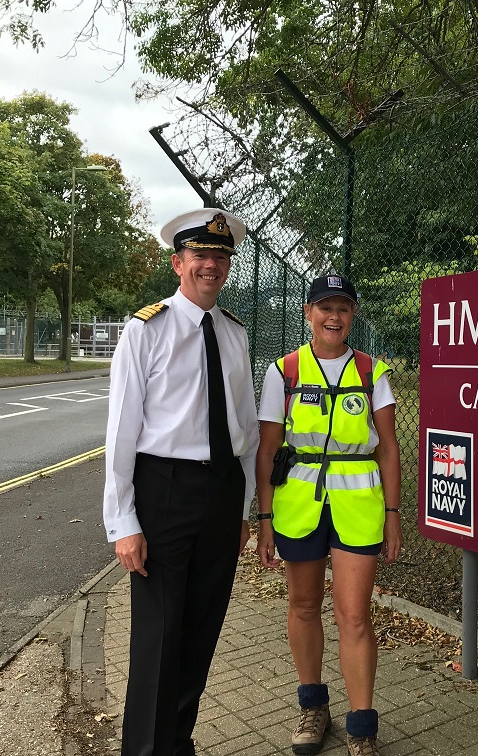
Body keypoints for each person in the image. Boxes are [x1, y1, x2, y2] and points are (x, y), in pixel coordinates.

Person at [103, 208, 260, 756]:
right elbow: (121, 433)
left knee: (201, 629)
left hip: (219, 494)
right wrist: (123, 522)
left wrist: (242, 510)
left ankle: (177, 741)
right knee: (159, 635)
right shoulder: (145, 330)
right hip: (164, 491)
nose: (211, 266)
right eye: (200, 256)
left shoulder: (235, 334)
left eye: (220, 257)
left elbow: (244, 433)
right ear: (178, 262)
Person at [255, 273, 402, 756]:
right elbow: (268, 448)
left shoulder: (372, 373)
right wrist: (264, 518)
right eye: (324, 307)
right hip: (299, 507)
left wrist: (394, 515)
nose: (333, 316)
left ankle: (362, 728)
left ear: (352, 315)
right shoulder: (284, 371)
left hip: (358, 508)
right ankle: (313, 705)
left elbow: (389, 450)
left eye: (342, 308)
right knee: (302, 606)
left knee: (354, 615)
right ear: (308, 313)